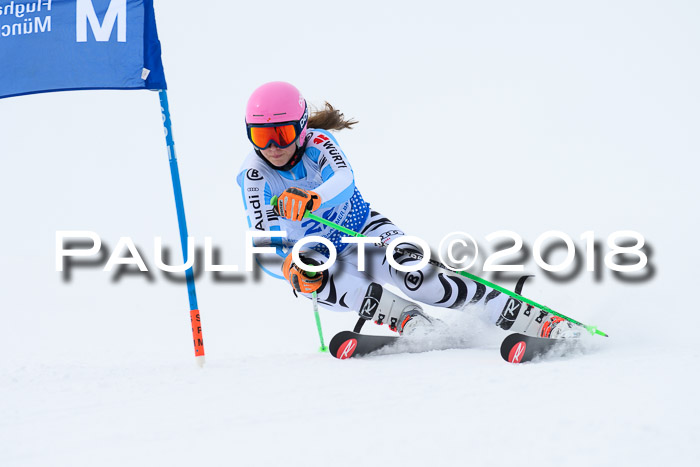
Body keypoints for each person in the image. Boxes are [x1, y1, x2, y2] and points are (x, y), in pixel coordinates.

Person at [237, 81, 572, 338]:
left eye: (281, 134)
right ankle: (412, 323)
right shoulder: (254, 176)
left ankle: (522, 315)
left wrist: (313, 199)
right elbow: (264, 246)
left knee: (418, 278)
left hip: (361, 230)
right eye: (261, 136)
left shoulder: (319, 143)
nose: (272, 147)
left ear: (302, 128)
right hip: (316, 253)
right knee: (323, 280)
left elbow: (344, 180)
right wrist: (287, 269)